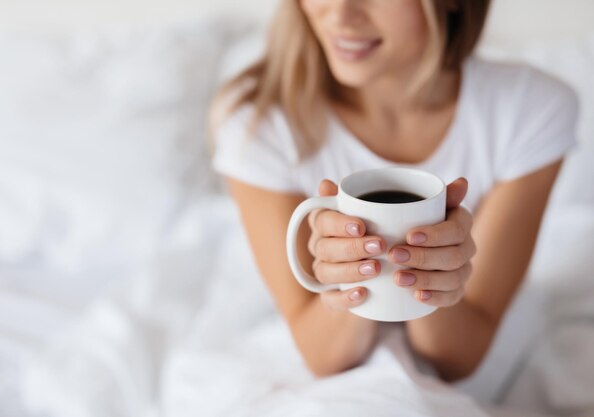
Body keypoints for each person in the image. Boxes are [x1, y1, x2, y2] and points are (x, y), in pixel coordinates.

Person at [210, 0, 578, 382]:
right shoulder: (259, 126)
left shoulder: (528, 110)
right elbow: (323, 357)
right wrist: (353, 278)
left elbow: (457, 361)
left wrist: (437, 277)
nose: (339, 15)